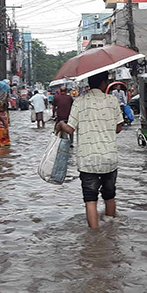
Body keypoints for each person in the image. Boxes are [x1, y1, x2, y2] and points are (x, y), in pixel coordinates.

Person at [56, 71, 123, 229]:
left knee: (90, 199)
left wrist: (60, 124)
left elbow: (70, 129)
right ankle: (111, 228)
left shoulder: (79, 102)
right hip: (109, 157)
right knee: (110, 195)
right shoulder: (112, 101)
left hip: (88, 159)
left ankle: (94, 236)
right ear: (103, 83)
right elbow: (118, 128)